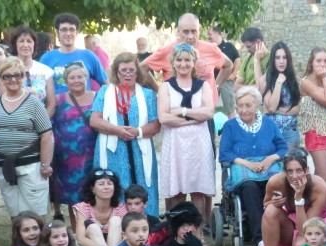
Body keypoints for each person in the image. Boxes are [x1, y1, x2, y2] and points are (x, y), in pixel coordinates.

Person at [0, 57, 53, 220]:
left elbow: (46, 134)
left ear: (24, 77)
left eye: (17, 75)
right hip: (3, 166)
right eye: (7, 76)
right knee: (15, 215)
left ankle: (38, 238)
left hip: (32, 167)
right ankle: (19, 238)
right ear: (1, 79)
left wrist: (45, 165)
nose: (13, 79)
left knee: (35, 215)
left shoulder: (34, 103)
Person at [91, 53, 161, 215]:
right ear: (116, 72)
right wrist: (117, 130)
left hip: (140, 149)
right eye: (123, 70)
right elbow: (95, 120)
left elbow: (156, 125)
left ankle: (147, 222)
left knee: (144, 185)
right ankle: (114, 222)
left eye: (131, 70)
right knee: (115, 185)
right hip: (113, 152)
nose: (127, 74)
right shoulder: (105, 92)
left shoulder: (148, 95)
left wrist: (138, 131)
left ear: (138, 72)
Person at [219, 86, 287, 244]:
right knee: (250, 188)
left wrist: (270, 159)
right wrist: (248, 164)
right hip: (242, 168)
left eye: (248, 105)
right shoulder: (230, 125)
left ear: (257, 105)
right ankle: (260, 238)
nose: (243, 110)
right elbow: (225, 153)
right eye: (240, 106)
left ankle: (281, 231)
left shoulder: (269, 123)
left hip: (269, 167)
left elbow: (283, 148)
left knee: (275, 185)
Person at [157, 44, 216, 218]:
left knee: (198, 191)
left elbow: (209, 113)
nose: (183, 64)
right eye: (179, 60)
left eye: (187, 60)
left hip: (199, 143)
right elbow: (164, 118)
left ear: (194, 62)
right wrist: (194, 119)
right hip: (175, 143)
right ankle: (179, 229)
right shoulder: (165, 87)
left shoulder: (203, 86)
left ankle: (198, 231)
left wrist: (182, 111)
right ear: (173, 62)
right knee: (178, 191)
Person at [261, 149, 326, 246]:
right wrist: (275, 202)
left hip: (315, 224)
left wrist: (298, 198)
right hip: (291, 223)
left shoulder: (319, 186)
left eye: (299, 171)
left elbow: (304, 230)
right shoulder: (276, 182)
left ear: (307, 170)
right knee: (271, 210)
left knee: (299, 245)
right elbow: (266, 204)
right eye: (290, 171)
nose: (294, 176)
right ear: (285, 172)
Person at [142, 13, 234, 106]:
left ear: (199, 30)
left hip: (206, 109)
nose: (190, 36)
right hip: (176, 110)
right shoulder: (166, 51)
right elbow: (141, 68)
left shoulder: (211, 49)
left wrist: (216, 86)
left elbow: (228, 65)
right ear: (178, 31)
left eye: (194, 31)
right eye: (185, 32)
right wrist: (159, 90)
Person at [52, 62, 97, 227]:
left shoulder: (98, 97)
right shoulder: (58, 99)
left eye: (80, 77)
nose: (76, 80)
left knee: (95, 192)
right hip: (67, 159)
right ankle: (78, 232)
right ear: (65, 81)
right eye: (72, 77)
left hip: (94, 155)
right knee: (73, 197)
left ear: (86, 78)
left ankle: (96, 230)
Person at [299, 48, 326, 183]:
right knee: (324, 179)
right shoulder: (306, 82)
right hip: (316, 131)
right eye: (318, 61)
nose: (322, 64)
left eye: (325, 61)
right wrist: (325, 77)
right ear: (311, 63)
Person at [39, 13, 108, 94]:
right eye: (64, 29)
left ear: (77, 32)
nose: (68, 34)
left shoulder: (89, 56)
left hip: (85, 102)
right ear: (57, 32)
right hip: (56, 102)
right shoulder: (47, 58)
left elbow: (106, 84)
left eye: (72, 29)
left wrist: (99, 100)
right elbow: (39, 87)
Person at [73, 168, 128, 246]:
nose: (106, 187)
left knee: (116, 220)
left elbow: (127, 236)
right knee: (93, 228)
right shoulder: (84, 208)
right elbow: (81, 239)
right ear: (92, 189)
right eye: (101, 184)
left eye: (109, 184)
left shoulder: (121, 208)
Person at [10, 25, 57, 115]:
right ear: (15, 44)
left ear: (34, 44)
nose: (25, 45)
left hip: (42, 121)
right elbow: (3, 103)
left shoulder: (46, 71)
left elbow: (51, 105)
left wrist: (41, 122)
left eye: (29, 41)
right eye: (21, 41)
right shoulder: (4, 71)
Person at [262, 42, 300, 150]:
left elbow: (297, 109)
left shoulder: (295, 80)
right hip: (271, 131)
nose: (281, 61)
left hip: (290, 131)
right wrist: (278, 83)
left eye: (284, 57)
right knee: (273, 161)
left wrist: (278, 111)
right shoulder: (265, 80)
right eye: (277, 58)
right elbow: (271, 107)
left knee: (291, 160)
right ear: (273, 60)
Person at [207, 25, 241, 118]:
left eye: (210, 34)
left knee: (230, 108)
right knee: (209, 107)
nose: (208, 37)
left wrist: (233, 74)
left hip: (226, 81)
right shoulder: (210, 49)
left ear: (217, 33)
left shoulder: (229, 46)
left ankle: (232, 125)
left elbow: (237, 60)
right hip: (213, 82)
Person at [235, 27, 268, 92]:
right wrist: (255, 87)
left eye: (248, 46)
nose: (247, 50)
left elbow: (262, 88)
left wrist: (256, 60)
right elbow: (236, 87)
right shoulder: (247, 59)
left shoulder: (272, 59)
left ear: (258, 42)